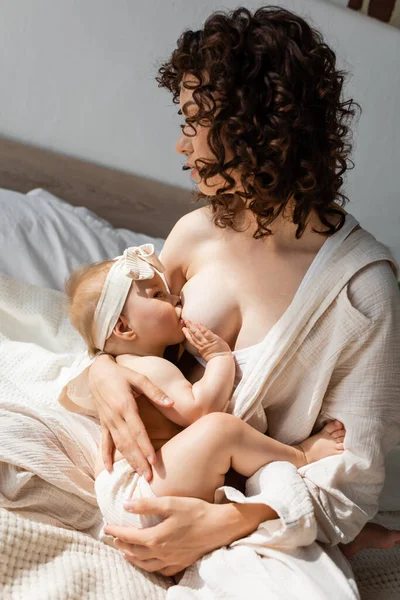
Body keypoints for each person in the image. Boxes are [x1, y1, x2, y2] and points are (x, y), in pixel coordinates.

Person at [68, 6, 400, 598]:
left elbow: (353, 486)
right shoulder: (196, 233)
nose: (179, 144)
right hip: (163, 472)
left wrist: (229, 520)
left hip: (253, 496)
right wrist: (102, 373)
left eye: (195, 124)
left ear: (261, 133)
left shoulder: (361, 291)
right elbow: (114, 330)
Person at [60, 244, 346, 531]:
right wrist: (220, 359)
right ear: (123, 328)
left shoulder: (130, 364)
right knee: (222, 430)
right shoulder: (148, 367)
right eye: (158, 295)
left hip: (142, 487)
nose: (176, 299)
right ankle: (302, 456)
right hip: (141, 489)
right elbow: (199, 410)